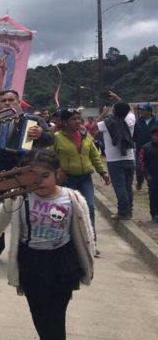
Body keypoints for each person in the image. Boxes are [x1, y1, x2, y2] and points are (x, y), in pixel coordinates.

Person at [0, 149, 95, 340]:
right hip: (31, 263)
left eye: (45, 176)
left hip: (62, 264)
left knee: (56, 315)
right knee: (38, 311)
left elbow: (86, 233)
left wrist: (89, 261)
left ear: (57, 174)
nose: (39, 183)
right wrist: (1, 197)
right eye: (32, 178)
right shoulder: (19, 200)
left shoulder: (73, 198)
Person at [0, 89, 54, 264]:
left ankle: (27, 250)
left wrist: (41, 134)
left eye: (11, 100)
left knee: (26, 211)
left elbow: (51, 139)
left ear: (18, 101)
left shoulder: (34, 121)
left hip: (24, 169)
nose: (7, 103)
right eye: (3, 101)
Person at [51, 108, 109, 256]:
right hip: (67, 180)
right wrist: (58, 170)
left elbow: (94, 154)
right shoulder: (57, 137)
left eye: (79, 118)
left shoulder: (85, 135)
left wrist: (102, 172)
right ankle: (65, 243)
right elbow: (49, 156)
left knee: (88, 207)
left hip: (85, 178)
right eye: (73, 119)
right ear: (64, 122)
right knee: (67, 211)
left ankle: (92, 243)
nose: (78, 121)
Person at [97, 95, 136, 220]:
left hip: (114, 160)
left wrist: (103, 113)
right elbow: (130, 109)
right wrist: (118, 98)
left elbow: (92, 127)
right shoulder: (130, 120)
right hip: (130, 157)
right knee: (128, 186)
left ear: (113, 111)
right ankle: (129, 211)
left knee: (120, 187)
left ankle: (123, 212)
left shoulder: (106, 123)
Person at [132, 104, 155, 191]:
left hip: (153, 149)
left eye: (143, 110)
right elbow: (134, 135)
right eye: (140, 110)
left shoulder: (155, 121)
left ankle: (151, 185)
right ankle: (139, 181)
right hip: (140, 149)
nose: (141, 111)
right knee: (139, 168)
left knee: (152, 168)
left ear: (149, 112)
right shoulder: (138, 122)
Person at [140, 125, 158, 223]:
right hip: (152, 176)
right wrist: (147, 175)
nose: (157, 137)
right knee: (153, 195)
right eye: (155, 135)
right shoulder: (146, 148)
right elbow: (142, 163)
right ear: (152, 136)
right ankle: (154, 214)